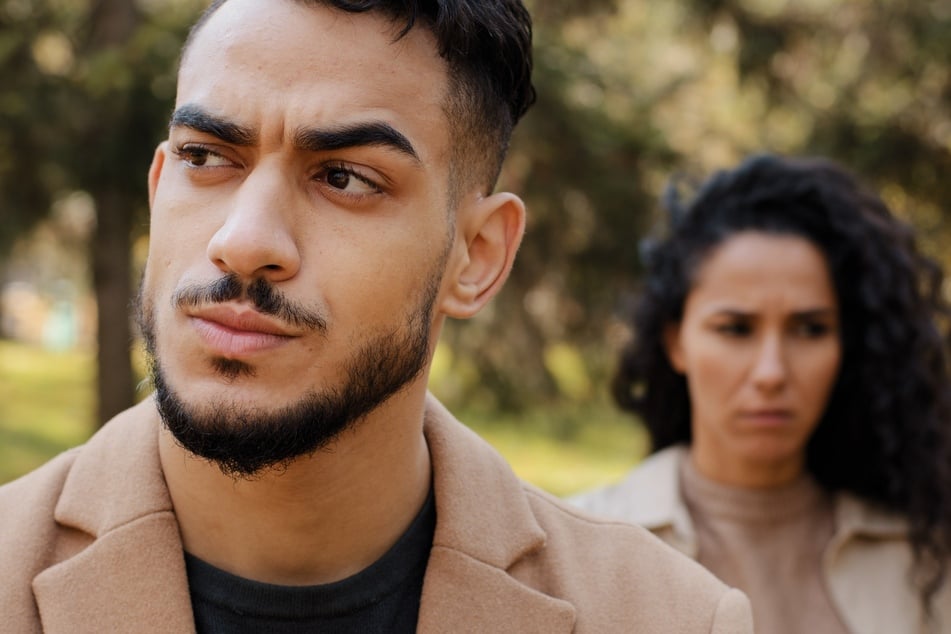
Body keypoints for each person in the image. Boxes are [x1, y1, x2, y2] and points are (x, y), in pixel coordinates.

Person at [0, 1, 754, 631]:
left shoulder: (667, 618)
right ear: (160, 182)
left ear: (478, 255)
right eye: (207, 157)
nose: (243, 242)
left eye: (344, 177)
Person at [571, 154, 951, 633]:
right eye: (735, 328)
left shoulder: (925, 555)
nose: (772, 372)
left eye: (810, 329)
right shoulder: (580, 545)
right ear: (677, 343)